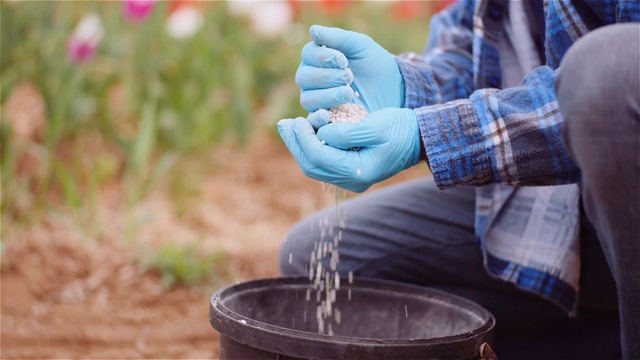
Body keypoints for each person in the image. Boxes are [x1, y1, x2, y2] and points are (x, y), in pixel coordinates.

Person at [277, 0, 639, 358]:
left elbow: (612, 89)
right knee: (323, 261)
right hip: (578, 218)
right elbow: (479, 44)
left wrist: (428, 133)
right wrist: (407, 89)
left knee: (606, 71)